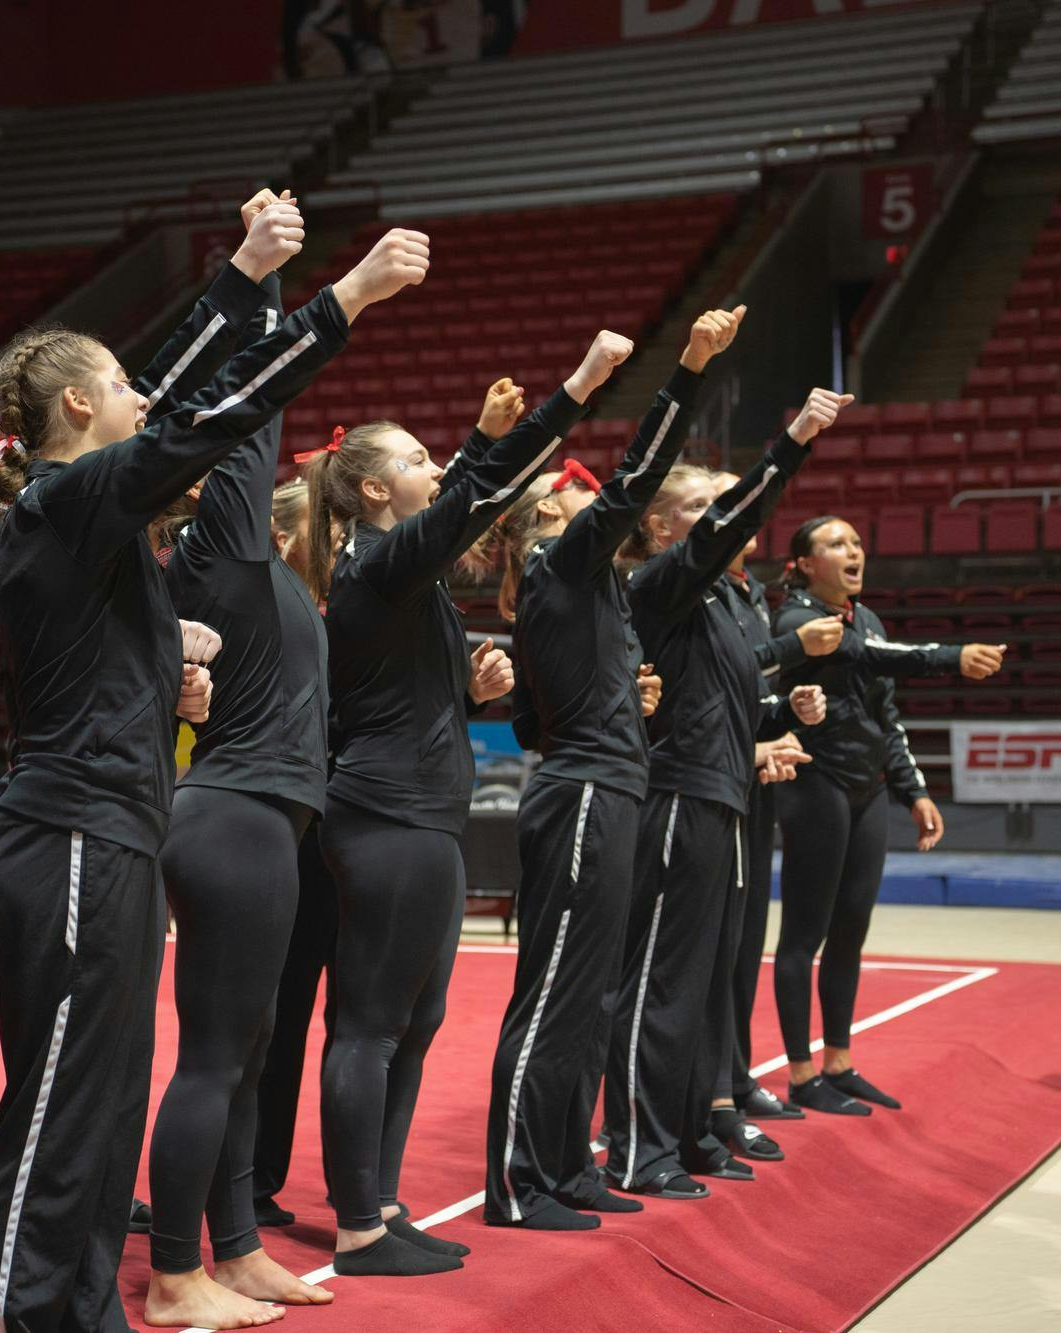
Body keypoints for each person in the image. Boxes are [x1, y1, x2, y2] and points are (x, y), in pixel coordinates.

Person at [0, 218, 425, 1333]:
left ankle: (80, 1305)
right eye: (118, 386)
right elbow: (199, 414)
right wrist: (339, 298)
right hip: (70, 826)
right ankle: (20, 1317)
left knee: (108, 1102)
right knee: (57, 1108)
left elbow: (167, 396)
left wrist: (245, 274)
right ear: (77, 409)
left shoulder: (90, 522)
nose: (139, 397)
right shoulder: (62, 503)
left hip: (116, 821)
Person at [307, 328, 629, 1275]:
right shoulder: (379, 563)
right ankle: (357, 1221)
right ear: (373, 491)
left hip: (425, 813)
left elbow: (397, 686)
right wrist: (572, 389)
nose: (432, 463)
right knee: (368, 1022)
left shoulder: (409, 580)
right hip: (390, 814)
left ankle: (384, 1198)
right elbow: (472, 500)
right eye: (413, 457)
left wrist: (467, 690)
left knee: (417, 1019)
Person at [478, 308, 741, 1231]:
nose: (594, 497)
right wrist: (690, 371)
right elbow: (634, 484)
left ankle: (562, 1161)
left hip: (608, 782)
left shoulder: (588, 589)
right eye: (572, 489)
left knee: (591, 993)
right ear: (546, 513)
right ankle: (515, 1180)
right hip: (585, 789)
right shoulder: (559, 560)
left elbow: (522, 714)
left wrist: (622, 701)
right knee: (554, 989)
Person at [142, 255, 338, 1326]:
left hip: (260, 816)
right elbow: (252, 410)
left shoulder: (262, 573)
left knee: (249, 1048)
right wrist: (264, 284)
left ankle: (234, 1245)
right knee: (216, 1052)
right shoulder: (222, 556)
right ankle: (175, 1274)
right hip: (234, 816)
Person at [601, 387, 843, 1200]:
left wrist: (772, 725)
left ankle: (693, 1126)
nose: (720, 515)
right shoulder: (661, 582)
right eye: (700, 505)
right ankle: (638, 1144)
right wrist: (795, 438)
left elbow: (720, 701)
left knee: (706, 981)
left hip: (721, 792)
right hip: (675, 797)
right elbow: (730, 524)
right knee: (662, 982)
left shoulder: (720, 598)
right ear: (664, 526)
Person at [770, 516, 1006, 1113]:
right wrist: (954, 656)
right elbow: (870, 657)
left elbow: (886, 718)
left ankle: (839, 1061)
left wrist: (913, 791)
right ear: (802, 563)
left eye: (855, 543)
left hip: (867, 790)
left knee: (851, 930)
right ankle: (800, 1074)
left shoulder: (867, 619)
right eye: (835, 545)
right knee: (804, 935)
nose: (852, 552)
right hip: (815, 785)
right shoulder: (798, 621)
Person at [250, 477, 340, 1231]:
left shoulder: (319, 610)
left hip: (319, 825)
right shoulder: (269, 606)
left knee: (296, 1011)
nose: (336, 540)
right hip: (273, 821)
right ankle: (239, 1176)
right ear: (283, 536)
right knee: (265, 1016)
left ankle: (262, 1173)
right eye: (324, 528)